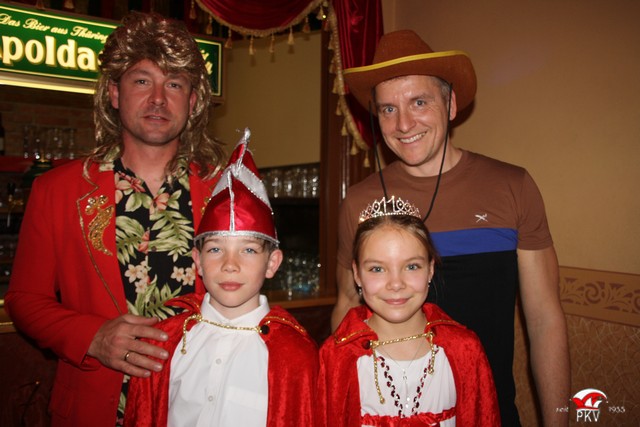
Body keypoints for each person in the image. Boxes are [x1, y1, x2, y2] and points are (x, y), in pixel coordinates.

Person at [333, 30, 570, 426]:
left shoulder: (512, 186)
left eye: (419, 102)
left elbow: (545, 319)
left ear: (450, 104)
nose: (403, 123)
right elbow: (346, 308)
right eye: (388, 108)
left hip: (489, 413)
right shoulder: (358, 203)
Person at [5, 12, 226, 427]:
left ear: (194, 101)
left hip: (201, 408)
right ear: (114, 94)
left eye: (174, 84)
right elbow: (25, 299)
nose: (158, 99)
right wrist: (92, 336)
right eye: (142, 81)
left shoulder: (225, 192)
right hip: (96, 408)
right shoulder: (57, 190)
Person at [124, 129, 319, 427]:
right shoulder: (165, 342)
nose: (230, 265)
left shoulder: (295, 355)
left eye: (248, 250)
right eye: (216, 249)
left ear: (272, 263)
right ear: (198, 261)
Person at [318, 196, 500, 426]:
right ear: (357, 274)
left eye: (412, 266)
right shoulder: (336, 356)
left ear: (430, 269)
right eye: (377, 269)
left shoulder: (465, 349)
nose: (396, 284)